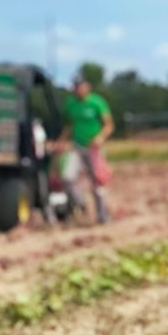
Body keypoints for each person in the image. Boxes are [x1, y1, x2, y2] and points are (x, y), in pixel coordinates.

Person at [59, 75, 113, 224]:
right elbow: (69, 126)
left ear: (87, 87)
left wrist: (100, 137)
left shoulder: (97, 102)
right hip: (77, 146)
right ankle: (81, 204)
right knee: (67, 176)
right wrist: (62, 141)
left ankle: (103, 216)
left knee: (97, 183)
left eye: (81, 86)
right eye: (76, 87)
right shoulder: (71, 104)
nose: (78, 90)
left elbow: (108, 125)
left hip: (94, 148)